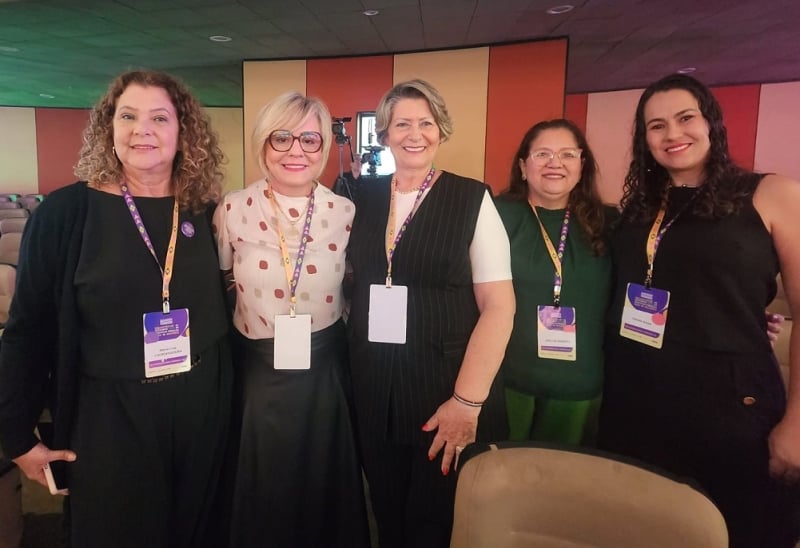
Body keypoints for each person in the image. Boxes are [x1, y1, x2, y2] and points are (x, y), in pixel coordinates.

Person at [0, 69, 232, 547]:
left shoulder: (205, 211)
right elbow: (27, 331)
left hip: (202, 408)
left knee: (199, 531)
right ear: (109, 127)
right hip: (109, 418)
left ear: (184, 132)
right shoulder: (65, 215)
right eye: (128, 116)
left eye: (159, 118)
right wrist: (17, 435)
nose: (142, 129)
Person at [598, 73, 800, 547]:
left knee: (736, 530)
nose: (673, 134)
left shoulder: (771, 194)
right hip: (636, 403)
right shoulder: (640, 209)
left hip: (729, 409)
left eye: (686, 118)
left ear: (711, 122)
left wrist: (798, 423)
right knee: (642, 530)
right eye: (657, 126)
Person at [346, 79, 515, 547]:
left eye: (426, 123)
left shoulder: (471, 198)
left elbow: (499, 306)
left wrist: (467, 402)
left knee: (440, 522)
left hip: (445, 390)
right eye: (402, 124)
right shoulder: (364, 197)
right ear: (384, 134)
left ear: (441, 130)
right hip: (375, 389)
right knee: (388, 516)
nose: (415, 134)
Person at [213, 91, 369, 548]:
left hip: (324, 368)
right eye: (281, 138)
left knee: (322, 480)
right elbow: (220, 278)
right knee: (262, 481)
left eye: (309, 140)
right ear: (263, 143)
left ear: (323, 148)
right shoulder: (232, 208)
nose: (295, 151)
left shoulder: (345, 212)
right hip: (257, 369)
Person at [494, 119, 613, 444]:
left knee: (564, 475)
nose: (554, 163)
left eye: (567, 154)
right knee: (500, 471)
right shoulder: (494, 216)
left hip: (578, 386)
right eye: (542, 154)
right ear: (523, 166)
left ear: (582, 164)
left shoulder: (611, 224)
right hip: (506, 382)